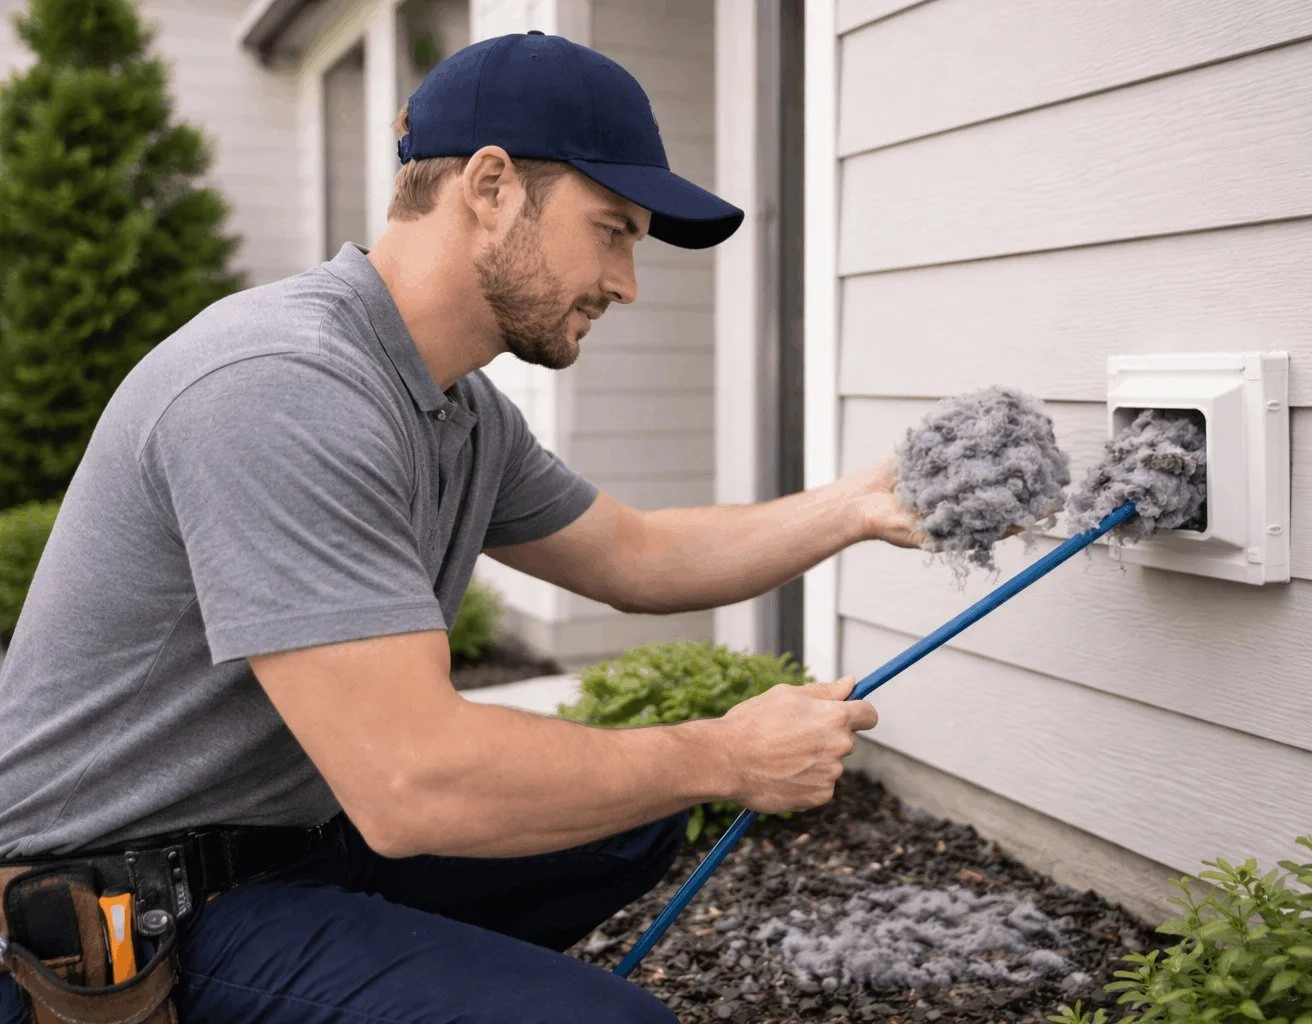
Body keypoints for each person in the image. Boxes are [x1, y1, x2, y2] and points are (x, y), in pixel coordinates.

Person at [0, 31, 921, 1024]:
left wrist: (857, 504)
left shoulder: (457, 410)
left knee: (628, 824)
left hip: (285, 844)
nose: (628, 281)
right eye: (612, 228)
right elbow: (412, 780)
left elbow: (633, 552)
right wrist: (727, 756)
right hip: (111, 914)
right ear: (489, 186)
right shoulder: (282, 385)